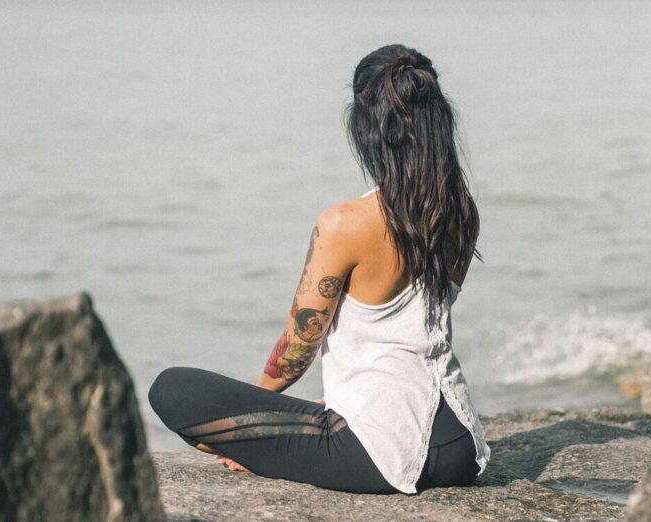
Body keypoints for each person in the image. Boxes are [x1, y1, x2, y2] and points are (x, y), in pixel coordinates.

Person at [149, 43, 491, 495]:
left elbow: (298, 347)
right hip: (461, 446)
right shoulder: (461, 211)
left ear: (365, 127)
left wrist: (255, 428)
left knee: (171, 388)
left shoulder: (345, 223)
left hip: (382, 451)